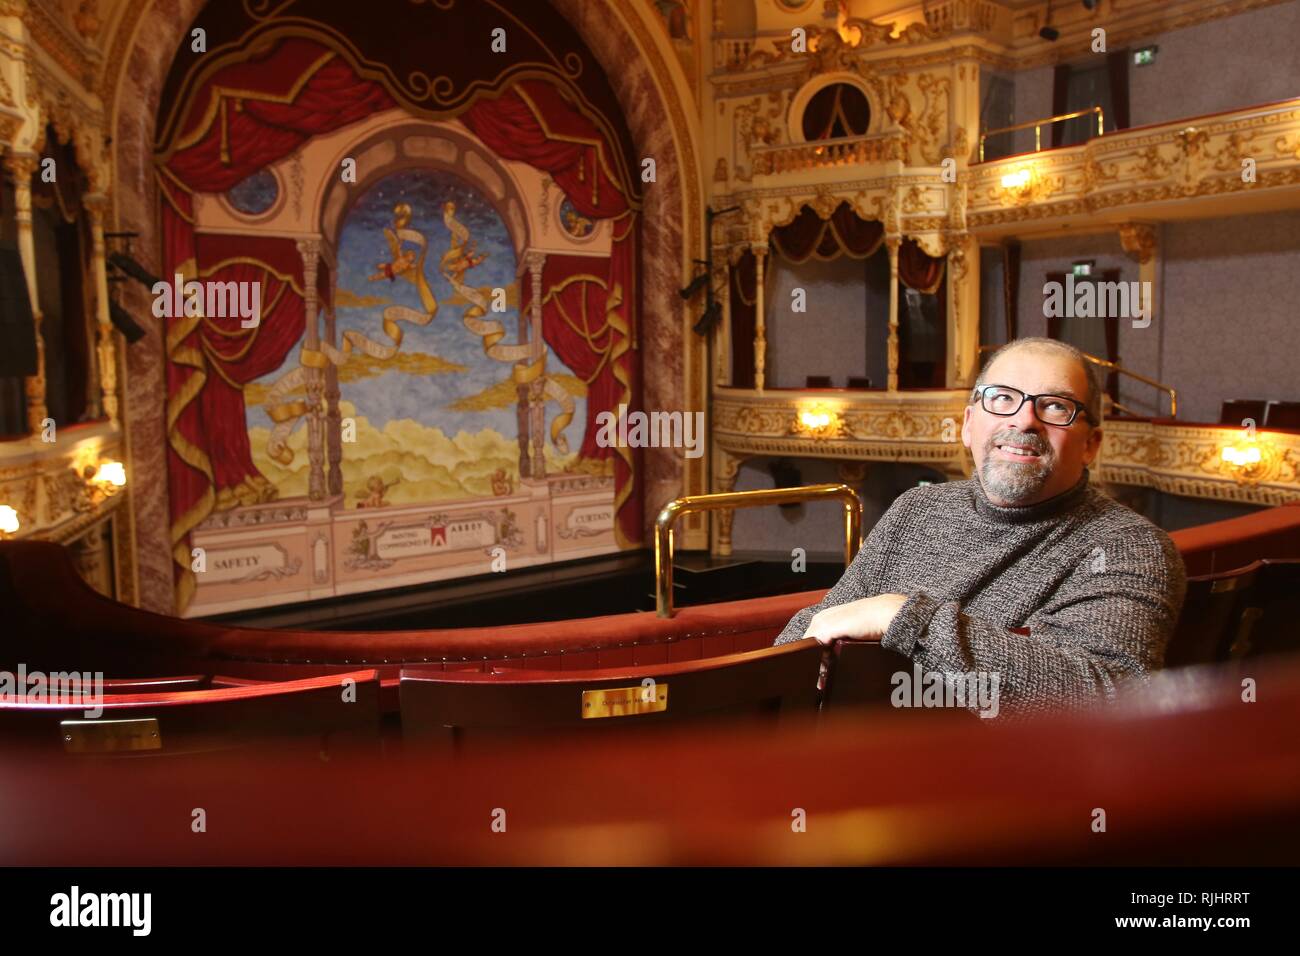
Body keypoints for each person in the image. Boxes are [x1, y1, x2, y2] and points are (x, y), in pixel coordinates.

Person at [774, 337, 1187, 718]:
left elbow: (1104, 699)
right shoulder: (916, 509)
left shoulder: (1128, 546)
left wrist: (903, 616)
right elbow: (822, 621)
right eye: (1002, 398)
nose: (1025, 421)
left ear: (1091, 444)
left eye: (1056, 406)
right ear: (969, 425)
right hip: (850, 752)